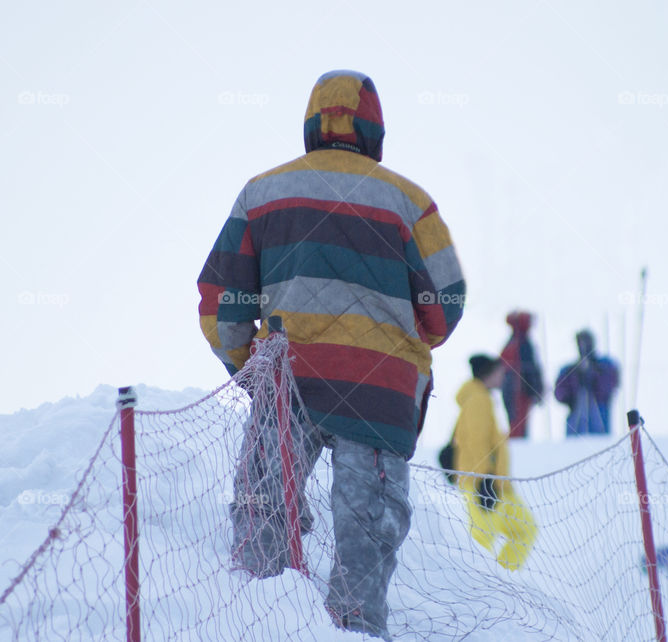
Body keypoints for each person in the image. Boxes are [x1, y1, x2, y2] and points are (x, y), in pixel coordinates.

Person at [197, 70, 465, 640]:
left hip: (287, 383)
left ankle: (258, 623)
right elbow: (446, 304)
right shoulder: (409, 202)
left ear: (310, 126)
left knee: (262, 514)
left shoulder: (262, 193)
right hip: (379, 391)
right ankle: (356, 628)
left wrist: (248, 366)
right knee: (366, 532)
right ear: (373, 132)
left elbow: (225, 299)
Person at [452, 355, 537, 570]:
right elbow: (476, 440)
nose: (503, 376)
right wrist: (485, 478)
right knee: (483, 540)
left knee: (525, 529)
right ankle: (479, 589)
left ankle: (500, 580)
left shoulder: (484, 398)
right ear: (489, 374)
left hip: (498, 485)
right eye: (500, 372)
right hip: (483, 483)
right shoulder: (479, 399)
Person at [554, 329, 619, 435]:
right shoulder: (569, 370)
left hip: (599, 415)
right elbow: (560, 393)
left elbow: (608, 388)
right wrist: (576, 380)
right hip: (576, 417)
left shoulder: (605, 366)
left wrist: (593, 375)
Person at [499, 310, 544, 439]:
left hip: (512, 390)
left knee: (516, 422)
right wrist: (536, 390)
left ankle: (517, 441)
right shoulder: (522, 344)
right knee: (518, 423)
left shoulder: (512, 342)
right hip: (519, 391)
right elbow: (531, 369)